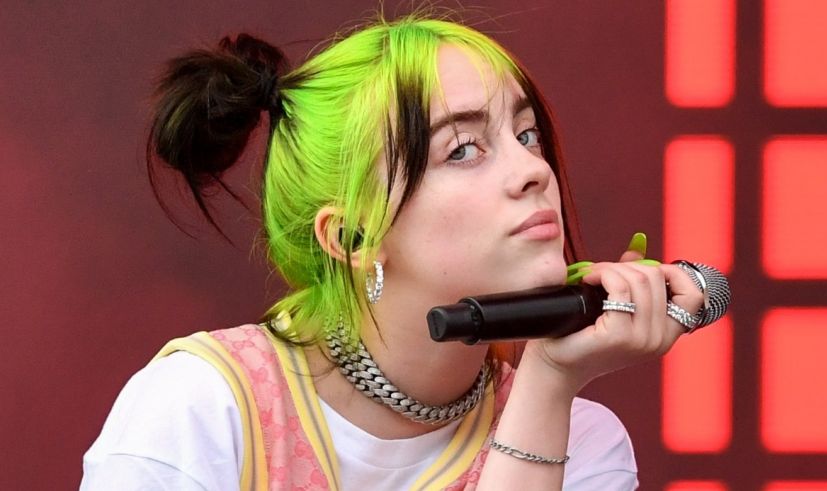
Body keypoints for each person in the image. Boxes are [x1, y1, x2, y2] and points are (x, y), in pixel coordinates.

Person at [81, 13, 703, 490]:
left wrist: (549, 381)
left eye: (526, 133)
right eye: (462, 149)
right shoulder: (203, 406)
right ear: (351, 237)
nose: (532, 171)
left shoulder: (582, 440)